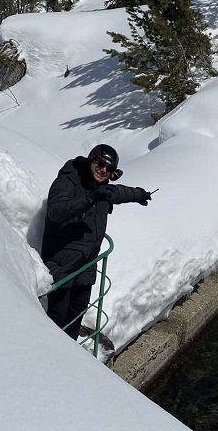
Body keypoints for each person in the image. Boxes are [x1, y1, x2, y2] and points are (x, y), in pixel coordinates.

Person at [41, 144, 152, 340]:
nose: (103, 171)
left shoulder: (101, 187)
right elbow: (56, 212)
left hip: (87, 264)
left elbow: (118, 192)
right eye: (100, 164)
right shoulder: (68, 180)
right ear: (90, 161)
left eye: (109, 169)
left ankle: (70, 360)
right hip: (62, 265)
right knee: (56, 321)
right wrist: (89, 197)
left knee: (76, 317)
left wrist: (140, 194)